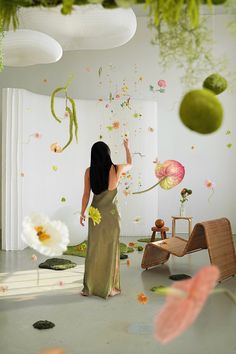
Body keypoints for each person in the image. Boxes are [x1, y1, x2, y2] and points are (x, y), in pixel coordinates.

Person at [80, 139, 132, 299]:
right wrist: (126, 147)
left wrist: (82, 212)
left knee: (94, 250)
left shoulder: (89, 171)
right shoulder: (116, 168)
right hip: (111, 215)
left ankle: (88, 288)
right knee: (110, 250)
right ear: (107, 154)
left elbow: (86, 194)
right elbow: (130, 163)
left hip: (95, 215)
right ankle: (109, 288)